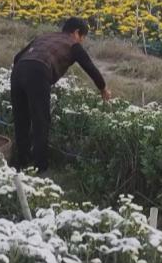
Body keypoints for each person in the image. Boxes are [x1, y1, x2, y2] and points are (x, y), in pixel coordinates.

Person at [10, 17, 111, 172]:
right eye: (83, 37)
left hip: (18, 71)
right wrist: (103, 88)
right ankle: (40, 168)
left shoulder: (44, 36)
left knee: (21, 119)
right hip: (38, 71)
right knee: (41, 121)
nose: (82, 41)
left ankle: (21, 162)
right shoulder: (73, 45)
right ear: (77, 33)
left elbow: (17, 58)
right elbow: (89, 67)